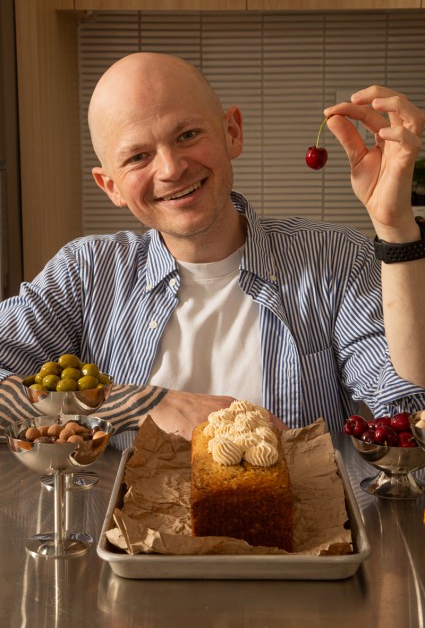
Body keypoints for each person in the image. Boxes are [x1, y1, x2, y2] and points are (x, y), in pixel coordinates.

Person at [1, 52, 425, 442]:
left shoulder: (336, 258)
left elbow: (412, 417)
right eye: (137, 157)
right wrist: (142, 403)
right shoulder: (85, 272)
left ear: (232, 132)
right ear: (110, 186)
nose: (170, 169)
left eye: (187, 134)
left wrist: (396, 226)